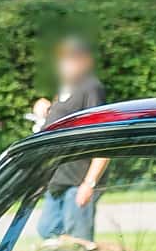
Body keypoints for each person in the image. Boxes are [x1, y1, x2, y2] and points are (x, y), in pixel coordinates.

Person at [28, 36, 111, 237]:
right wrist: (46, 111)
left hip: (77, 181)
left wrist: (89, 183)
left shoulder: (90, 87)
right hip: (57, 179)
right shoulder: (65, 89)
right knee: (47, 231)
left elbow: (102, 137)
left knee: (77, 243)